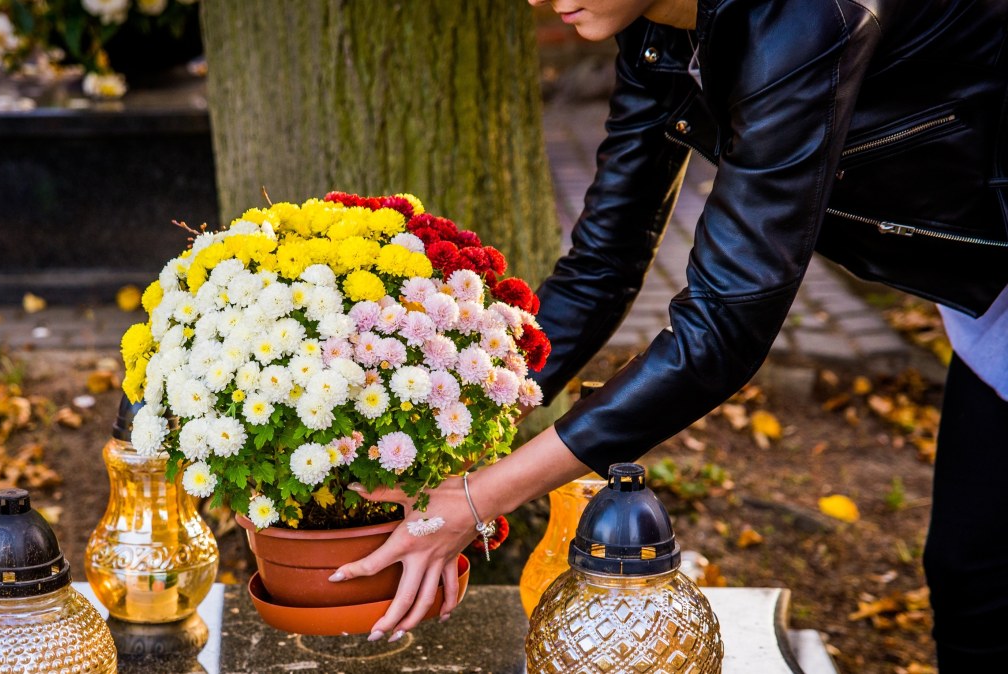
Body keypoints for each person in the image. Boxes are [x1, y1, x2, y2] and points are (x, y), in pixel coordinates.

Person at [329, 0, 1008, 669]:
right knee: (972, 575)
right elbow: (602, 266)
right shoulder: (660, 28)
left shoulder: (809, 16)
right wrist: (461, 441)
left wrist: (482, 498)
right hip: (991, 312)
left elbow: (722, 329)